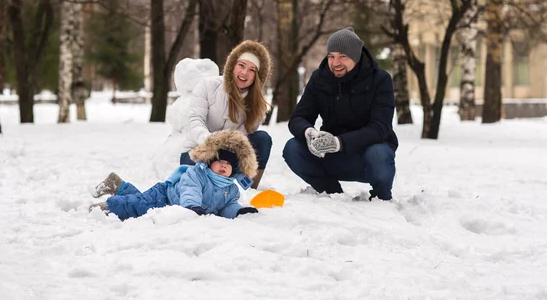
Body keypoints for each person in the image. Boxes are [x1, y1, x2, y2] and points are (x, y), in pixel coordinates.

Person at [282, 27, 398, 200]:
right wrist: (309, 133)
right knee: (293, 148)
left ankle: (381, 198)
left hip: (367, 156)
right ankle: (331, 193)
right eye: (331, 56)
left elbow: (380, 128)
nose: (335, 63)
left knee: (379, 154)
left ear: (356, 57)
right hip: (330, 155)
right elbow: (298, 118)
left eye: (343, 56)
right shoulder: (319, 78)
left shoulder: (380, 80)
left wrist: (339, 142)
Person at [90, 130, 259, 220]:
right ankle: (108, 207)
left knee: (140, 200)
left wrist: (238, 211)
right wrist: (192, 207)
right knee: (139, 206)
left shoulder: (230, 189)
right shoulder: (197, 174)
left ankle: (118, 185)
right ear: (209, 161)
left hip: (178, 205)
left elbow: (227, 206)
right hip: (165, 196)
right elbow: (190, 191)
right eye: (220, 161)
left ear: (234, 170)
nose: (224, 165)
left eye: (229, 164)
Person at [180, 40, 272, 190]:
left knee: (263, 138)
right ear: (232, 66)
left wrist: (230, 149)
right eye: (241, 65)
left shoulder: (256, 104)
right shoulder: (208, 86)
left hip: (229, 155)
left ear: (257, 76)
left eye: (252, 70)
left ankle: (248, 187)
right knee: (196, 179)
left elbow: (244, 135)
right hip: (199, 149)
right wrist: (210, 141)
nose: (244, 73)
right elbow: (194, 120)